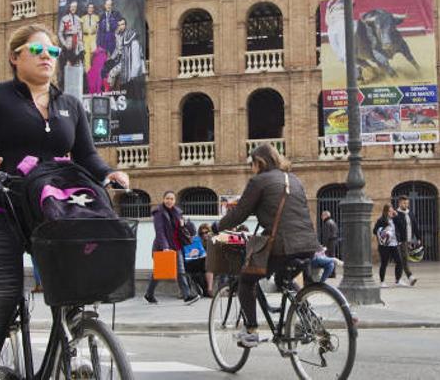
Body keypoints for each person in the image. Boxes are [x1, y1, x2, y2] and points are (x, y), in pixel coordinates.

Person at [0, 23, 129, 380]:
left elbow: (85, 155)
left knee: (71, 288)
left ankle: (71, 349)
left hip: (47, 212)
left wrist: (107, 174)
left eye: (53, 52)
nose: (48, 57)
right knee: (4, 294)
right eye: (39, 51)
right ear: (15, 57)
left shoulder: (69, 104)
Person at [214, 143, 320, 348]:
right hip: (308, 243)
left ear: (259, 162)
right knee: (284, 280)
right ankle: (309, 318)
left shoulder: (259, 181)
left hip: (282, 245)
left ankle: (251, 331)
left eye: (251, 164)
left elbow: (239, 213)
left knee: (246, 280)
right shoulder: (294, 179)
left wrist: (217, 226)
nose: (251, 169)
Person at [144, 191, 200, 305]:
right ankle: (149, 294)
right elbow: (160, 232)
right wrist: (165, 247)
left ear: (175, 201)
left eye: (172, 199)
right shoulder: (159, 213)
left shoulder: (178, 213)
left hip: (176, 246)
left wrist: (185, 224)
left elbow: (186, 229)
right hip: (162, 247)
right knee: (159, 272)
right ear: (163, 199)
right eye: (167, 198)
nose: (169, 201)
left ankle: (187, 296)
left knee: (180, 271)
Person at [374, 204, 403, 288]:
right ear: (385, 212)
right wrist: (383, 232)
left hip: (394, 244)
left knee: (399, 262)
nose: (391, 213)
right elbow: (375, 230)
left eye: (392, 211)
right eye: (389, 211)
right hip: (384, 245)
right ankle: (382, 282)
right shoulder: (381, 220)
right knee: (384, 263)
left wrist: (397, 217)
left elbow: (402, 227)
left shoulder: (394, 220)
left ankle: (398, 280)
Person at [393, 196, 419, 286]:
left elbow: (415, 226)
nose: (406, 205)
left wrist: (418, 238)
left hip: (408, 240)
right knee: (403, 259)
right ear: (400, 203)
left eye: (407, 203)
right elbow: (396, 228)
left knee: (402, 260)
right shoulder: (396, 214)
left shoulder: (410, 213)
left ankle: (398, 279)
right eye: (404, 203)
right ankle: (410, 277)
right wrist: (398, 239)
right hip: (400, 241)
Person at [80, 2, 99, 71]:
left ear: (93, 9)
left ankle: (95, 71)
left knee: (95, 54)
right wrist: (81, 39)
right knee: (86, 56)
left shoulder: (96, 17)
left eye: (91, 8)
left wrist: (97, 38)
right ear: (87, 9)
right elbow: (80, 29)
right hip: (85, 37)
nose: (90, 9)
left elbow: (98, 29)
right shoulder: (83, 18)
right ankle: (88, 73)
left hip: (93, 37)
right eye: (89, 8)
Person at [319, 210, 338, 277]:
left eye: (322, 215)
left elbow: (326, 235)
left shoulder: (327, 223)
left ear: (325, 215)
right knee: (332, 256)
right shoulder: (333, 222)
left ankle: (331, 273)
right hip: (333, 242)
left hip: (329, 242)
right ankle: (333, 272)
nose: (321, 217)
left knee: (329, 257)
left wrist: (324, 245)